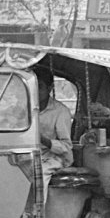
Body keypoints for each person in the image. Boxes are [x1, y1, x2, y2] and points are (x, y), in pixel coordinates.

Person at [36, 69, 73, 198]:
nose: (35, 91)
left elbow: (66, 147)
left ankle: (36, 215)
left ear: (50, 88)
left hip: (54, 158)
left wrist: (43, 140)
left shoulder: (61, 112)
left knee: (38, 175)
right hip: (29, 156)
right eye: (32, 86)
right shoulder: (24, 108)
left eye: (39, 87)